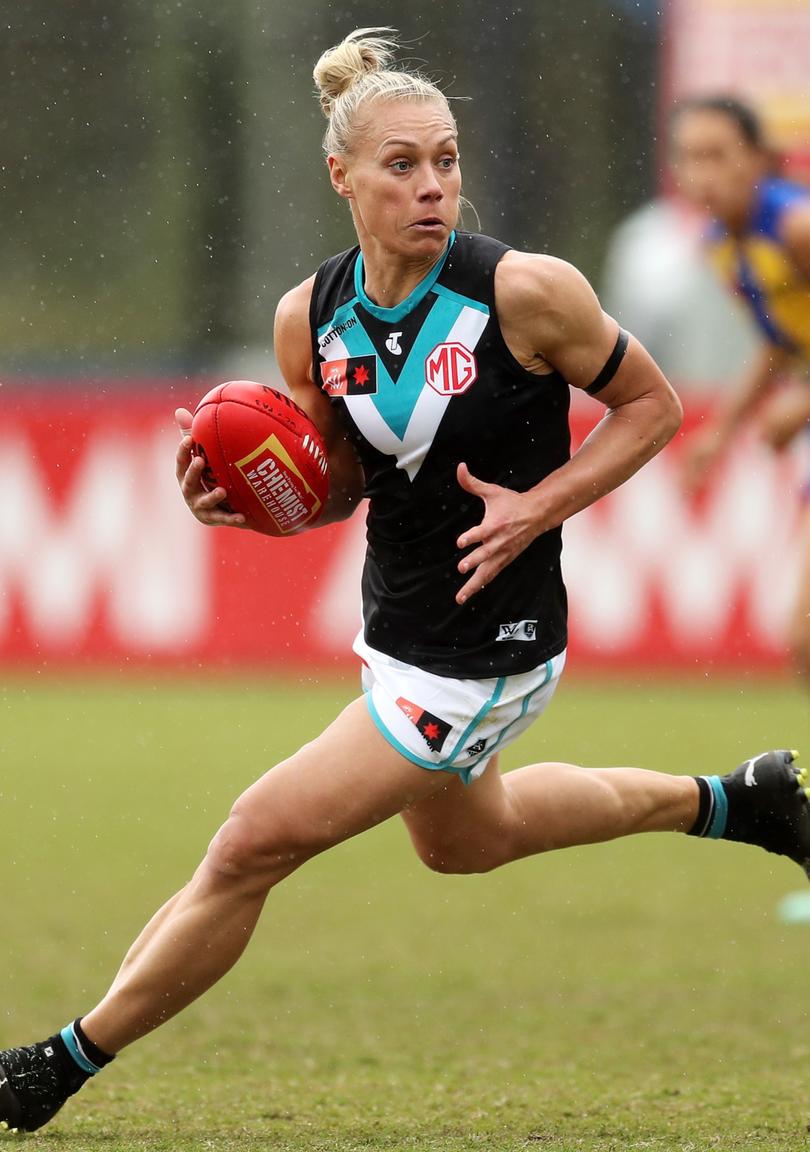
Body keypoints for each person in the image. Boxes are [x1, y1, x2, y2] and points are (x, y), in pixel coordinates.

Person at [1, 31, 807, 1137]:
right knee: (469, 841)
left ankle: (55, 1065)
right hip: (400, 631)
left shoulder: (527, 292)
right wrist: (245, 498)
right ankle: (735, 800)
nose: (433, 187)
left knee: (252, 842)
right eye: (401, 165)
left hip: (490, 647)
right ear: (342, 176)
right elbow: (339, 489)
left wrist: (543, 503)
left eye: (447, 159)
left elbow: (654, 409)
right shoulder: (311, 316)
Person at [672, 95, 810, 681]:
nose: (701, 173)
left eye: (716, 155)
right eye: (688, 157)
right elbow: (781, 342)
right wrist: (719, 434)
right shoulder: (722, 247)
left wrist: (803, 402)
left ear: (756, 160)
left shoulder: (797, 226)